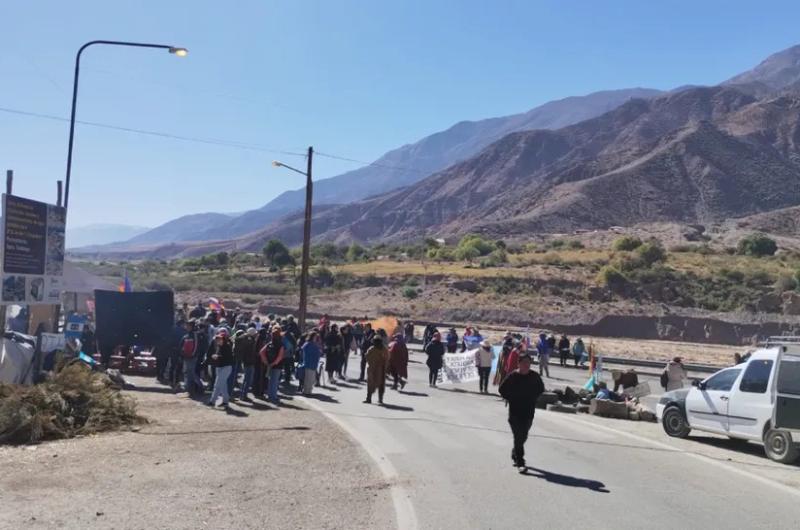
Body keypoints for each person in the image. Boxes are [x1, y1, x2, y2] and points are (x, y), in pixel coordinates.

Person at [499, 354, 545, 471]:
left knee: (523, 436)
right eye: (524, 362)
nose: (526, 365)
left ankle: (515, 452)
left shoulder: (534, 376)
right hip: (514, 411)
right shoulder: (513, 376)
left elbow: (541, 389)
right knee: (518, 436)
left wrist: (533, 398)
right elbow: (502, 389)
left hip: (529, 411)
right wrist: (511, 398)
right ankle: (520, 462)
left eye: (528, 363)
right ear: (518, 363)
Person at [207, 329, 234, 409]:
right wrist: (215, 357)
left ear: (224, 339)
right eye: (217, 338)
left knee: (217, 385)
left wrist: (217, 356)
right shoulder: (219, 346)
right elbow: (218, 355)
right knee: (223, 385)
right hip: (219, 367)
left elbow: (228, 358)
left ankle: (212, 401)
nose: (218, 340)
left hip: (226, 368)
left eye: (220, 338)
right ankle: (225, 401)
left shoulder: (228, 346)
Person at [261, 326, 286, 404]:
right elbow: (280, 356)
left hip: (269, 364)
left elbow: (261, 352)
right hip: (276, 365)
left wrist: (266, 362)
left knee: (270, 381)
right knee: (275, 382)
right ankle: (273, 397)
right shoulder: (281, 345)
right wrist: (274, 363)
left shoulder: (270, 343)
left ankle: (269, 395)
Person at [180, 319, 203, 396]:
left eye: (188, 325)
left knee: (192, 373)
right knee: (186, 372)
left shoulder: (195, 335)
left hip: (192, 357)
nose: (186, 327)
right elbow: (182, 345)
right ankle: (187, 388)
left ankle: (199, 387)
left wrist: (192, 354)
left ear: (192, 326)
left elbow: (196, 346)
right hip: (186, 357)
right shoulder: (186, 335)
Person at [235, 327, 259, 401]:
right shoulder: (249, 340)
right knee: (248, 379)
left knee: (246, 379)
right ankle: (243, 395)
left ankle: (243, 394)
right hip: (249, 362)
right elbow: (251, 351)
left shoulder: (243, 338)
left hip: (245, 361)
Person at [364, 336, 389, 404]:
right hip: (380, 369)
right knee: (380, 384)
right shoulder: (384, 349)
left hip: (373, 369)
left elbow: (366, 357)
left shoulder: (372, 349)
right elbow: (386, 359)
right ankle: (379, 399)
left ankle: (369, 398)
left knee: (370, 384)